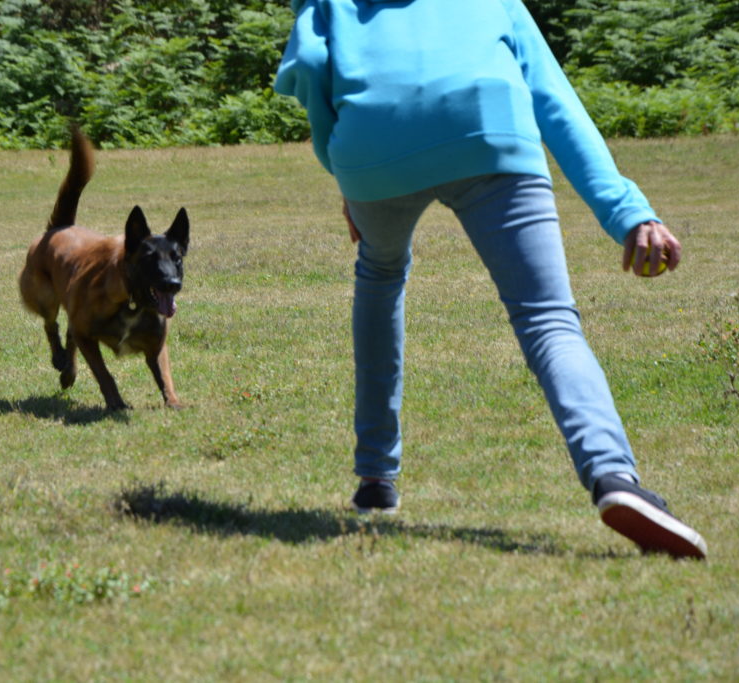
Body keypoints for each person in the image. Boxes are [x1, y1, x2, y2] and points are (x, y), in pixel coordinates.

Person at [274, 0, 707, 558]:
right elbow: (553, 98)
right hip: (487, 122)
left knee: (379, 277)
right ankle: (613, 478)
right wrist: (629, 213)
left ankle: (376, 477)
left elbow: (310, 65)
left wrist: (346, 168)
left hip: (370, 143)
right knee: (546, 317)